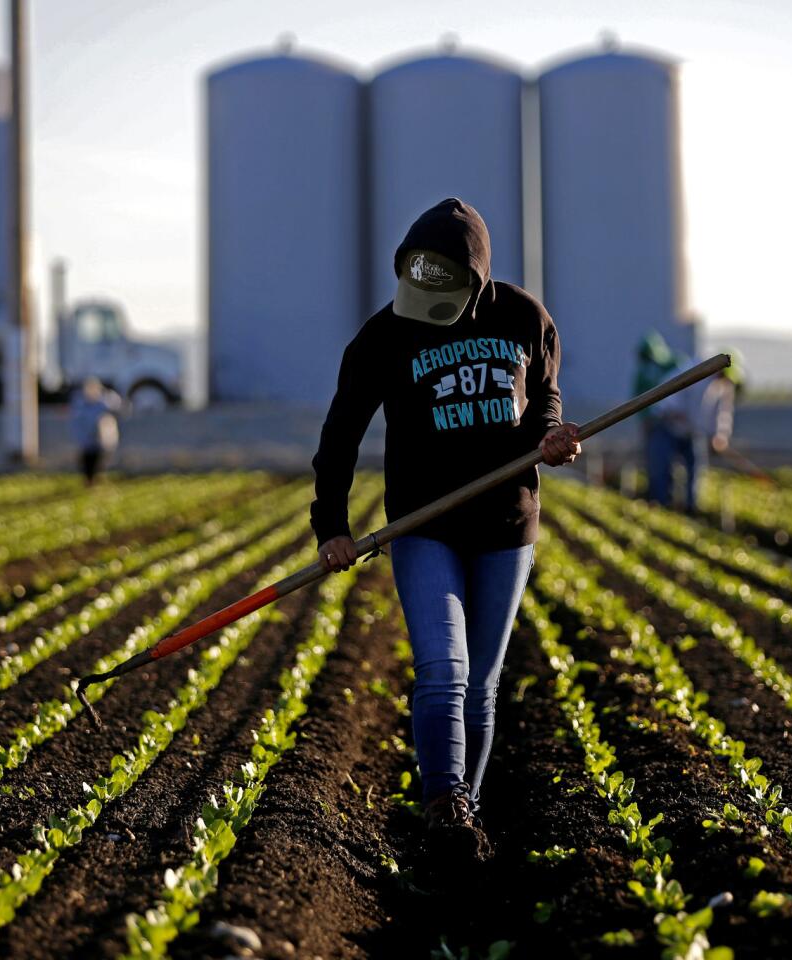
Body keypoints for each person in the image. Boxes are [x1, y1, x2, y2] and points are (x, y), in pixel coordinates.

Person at [310, 198, 580, 860]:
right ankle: (444, 805)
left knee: (481, 682)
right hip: (423, 523)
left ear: (477, 280)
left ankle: (465, 811)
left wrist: (549, 436)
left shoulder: (523, 317)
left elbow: (545, 392)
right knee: (442, 668)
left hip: (506, 526)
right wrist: (332, 527)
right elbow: (340, 435)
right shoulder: (383, 335)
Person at [634, 332, 737, 512]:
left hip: (692, 431)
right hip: (668, 426)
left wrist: (720, 436)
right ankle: (661, 505)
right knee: (662, 468)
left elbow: (722, 414)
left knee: (695, 469)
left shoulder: (724, 387)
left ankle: (691, 509)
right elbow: (669, 395)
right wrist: (673, 413)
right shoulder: (693, 373)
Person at [70, 377, 122, 485]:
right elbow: (77, 423)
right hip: (86, 440)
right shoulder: (81, 404)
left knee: (99, 460)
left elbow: (118, 405)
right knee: (87, 461)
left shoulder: (102, 403)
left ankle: (96, 479)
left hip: (99, 440)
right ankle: (89, 480)